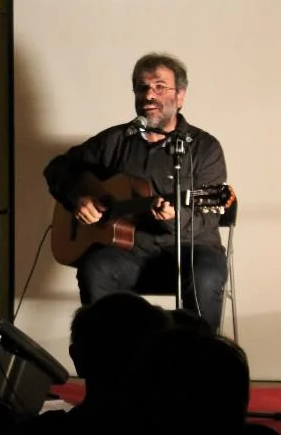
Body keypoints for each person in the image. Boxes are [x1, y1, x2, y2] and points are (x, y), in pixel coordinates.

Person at [43, 52, 228, 331]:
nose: (149, 95)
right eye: (142, 87)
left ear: (180, 96)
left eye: (159, 87)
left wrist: (172, 218)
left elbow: (207, 219)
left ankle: (197, 356)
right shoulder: (115, 141)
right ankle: (110, 355)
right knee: (95, 268)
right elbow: (58, 168)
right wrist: (77, 199)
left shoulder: (204, 148)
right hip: (128, 251)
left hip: (191, 251)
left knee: (207, 274)